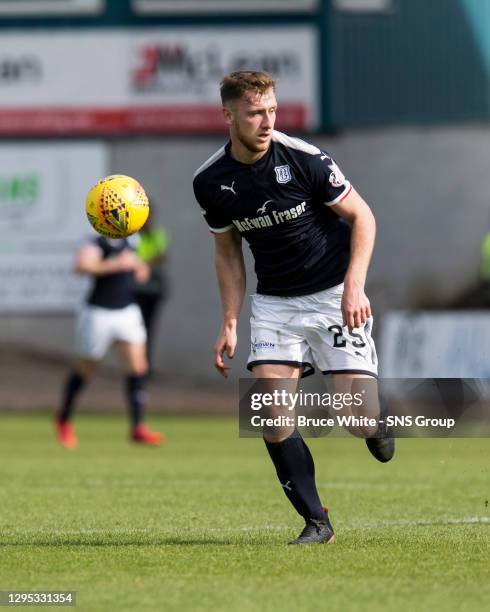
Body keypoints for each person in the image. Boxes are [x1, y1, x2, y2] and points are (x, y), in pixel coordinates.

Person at [193, 70, 394, 545]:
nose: (267, 122)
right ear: (228, 115)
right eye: (255, 112)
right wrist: (228, 321)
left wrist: (354, 286)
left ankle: (375, 425)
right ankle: (316, 522)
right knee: (270, 415)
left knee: (357, 418)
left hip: (333, 296)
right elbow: (227, 252)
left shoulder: (303, 158)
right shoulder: (210, 181)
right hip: (276, 305)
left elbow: (362, 216)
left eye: (272, 111)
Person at [55, 235, 164, 448]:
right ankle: (64, 419)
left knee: (138, 367)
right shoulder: (96, 243)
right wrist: (116, 264)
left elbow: (140, 269)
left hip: (126, 311)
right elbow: (81, 266)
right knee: (86, 369)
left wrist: (140, 269)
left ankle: (138, 427)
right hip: (98, 313)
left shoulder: (132, 242)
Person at [134, 213, 170, 374]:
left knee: (149, 328)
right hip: (136, 290)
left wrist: (141, 261)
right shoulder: (133, 237)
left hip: (153, 290)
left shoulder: (157, 234)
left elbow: (160, 257)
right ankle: (137, 363)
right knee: (136, 329)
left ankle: (145, 364)